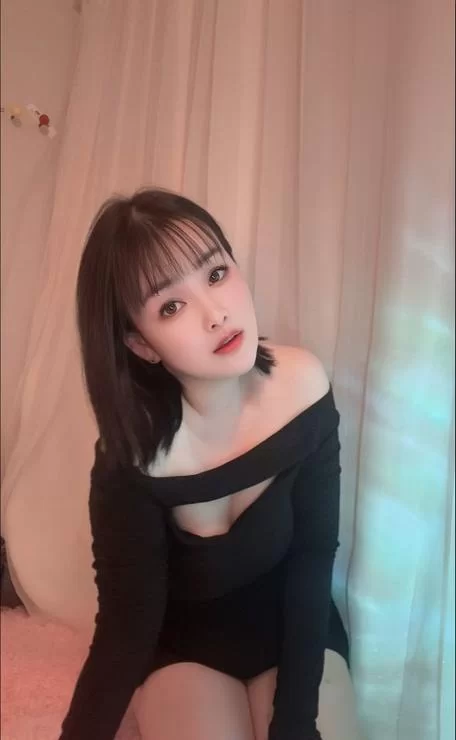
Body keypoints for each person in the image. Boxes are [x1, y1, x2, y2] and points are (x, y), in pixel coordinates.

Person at [59, 188, 359, 740]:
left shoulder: (303, 387)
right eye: (170, 307)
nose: (215, 314)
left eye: (216, 273)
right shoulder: (133, 458)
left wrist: (296, 723)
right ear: (141, 344)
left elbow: (314, 556)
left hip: (294, 625)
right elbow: (126, 625)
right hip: (185, 647)